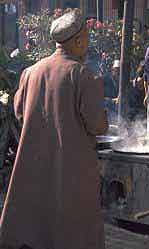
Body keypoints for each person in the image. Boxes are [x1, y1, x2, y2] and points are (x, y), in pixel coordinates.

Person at [0, 9, 108, 249]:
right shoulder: (82, 75)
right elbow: (98, 125)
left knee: (38, 224)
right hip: (72, 169)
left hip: (35, 162)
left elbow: (19, 112)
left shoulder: (30, 72)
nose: (88, 43)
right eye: (87, 37)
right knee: (74, 230)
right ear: (79, 40)